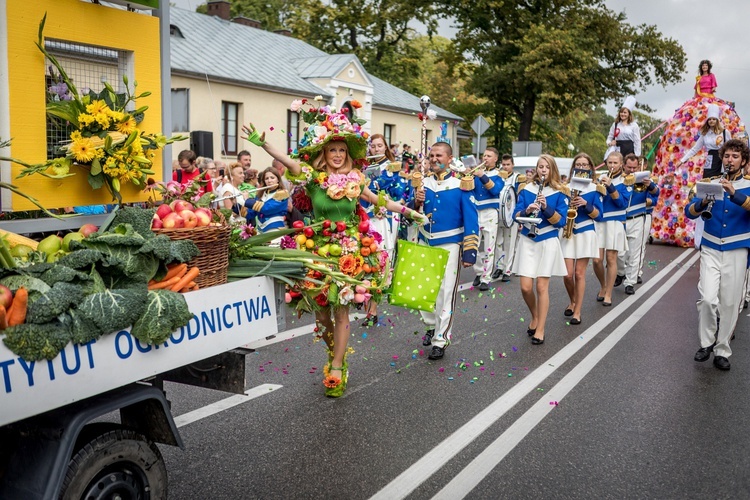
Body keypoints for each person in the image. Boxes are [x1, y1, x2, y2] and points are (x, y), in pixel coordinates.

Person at [242, 102, 425, 397]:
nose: (338, 155)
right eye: (332, 151)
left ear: (347, 155)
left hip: (351, 250)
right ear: (323, 155)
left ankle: (338, 365)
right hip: (317, 249)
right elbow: (289, 163)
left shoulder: (357, 180)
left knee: (341, 311)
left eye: (342, 150)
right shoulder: (314, 180)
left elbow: (379, 201)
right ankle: (334, 352)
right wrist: (264, 144)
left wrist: (408, 211)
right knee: (321, 316)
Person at [685, 139, 750, 371]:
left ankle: (722, 350)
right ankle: (706, 343)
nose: (729, 160)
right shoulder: (709, 182)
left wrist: (735, 195)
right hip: (711, 247)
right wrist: (702, 202)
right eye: (727, 156)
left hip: (737, 248)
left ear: (743, 161)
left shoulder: (748, 185)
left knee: (730, 303)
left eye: (735, 156)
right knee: (707, 298)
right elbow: (689, 212)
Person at [412, 142, 478, 360]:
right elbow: (411, 214)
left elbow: (471, 218)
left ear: (450, 158)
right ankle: (431, 326)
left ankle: (440, 339)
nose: (433, 159)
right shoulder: (423, 183)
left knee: (445, 292)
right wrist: (416, 202)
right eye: (431, 155)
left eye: (438, 155)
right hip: (425, 240)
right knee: (422, 290)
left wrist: (469, 251)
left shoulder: (462, 185)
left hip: (450, 243)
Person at [513, 154, 568, 344]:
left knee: (541, 286)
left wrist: (545, 208)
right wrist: (527, 211)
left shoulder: (560, 192)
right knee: (525, 287)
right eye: (540, 166)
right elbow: (515, 216)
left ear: (552, 169)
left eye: (546, 167)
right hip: (528, 239)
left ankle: (541, 329)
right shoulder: (526, 189)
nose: (542, 170)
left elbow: (561, 221)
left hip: (548, 240)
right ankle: (535, 316)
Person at [360, 133, 412, 326]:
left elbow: (400, 193)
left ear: (386, 147)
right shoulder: (363, 168)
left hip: (384, 218)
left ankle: (373, 310)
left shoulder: (392, 167)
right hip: (366, 217)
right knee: (365, 260)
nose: (376, 149)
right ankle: (366, 302)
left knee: (380, 261)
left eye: (380, 146)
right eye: (373, 146)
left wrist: (383, 204)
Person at [560, 153, 603, 325]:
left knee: (579, 273)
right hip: (568, 231)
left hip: (586, 230)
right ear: (573, 168)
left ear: (591, 168)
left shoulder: (595, 188)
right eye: (578, 164)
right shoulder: (564, 187)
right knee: (567, 275)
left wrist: (585, 204)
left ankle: (577, 312)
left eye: (585, 165)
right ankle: (573, 300)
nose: (581, 167)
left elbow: (599, 215)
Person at [616, 154, 660, 295]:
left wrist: (650, 185)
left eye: (635, 167)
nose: (632, 170)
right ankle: (621, 272)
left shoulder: (643, 179)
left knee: (635, 252)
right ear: (624, 165)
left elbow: (656, 194)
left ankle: (630, 282)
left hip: (638, 218)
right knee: (619, 253)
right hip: (620, 219)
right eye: (629, 167)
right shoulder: (619, 179)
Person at [592, 151, 632, 306]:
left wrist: (610, 186)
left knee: (611, 258)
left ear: (621, 164)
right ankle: (603, 285)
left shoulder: (626, 180)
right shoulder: (599, 178)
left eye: (615, 163)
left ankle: (608, 293)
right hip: (600, 221)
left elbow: (622, 203)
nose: (612, 165)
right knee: (596, 260)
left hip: (615, 222)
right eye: (610, 162)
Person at [471, 147, 504, 291]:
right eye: (484, 155)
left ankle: (486, 278)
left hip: (490, 212)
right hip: (475, 212)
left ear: (495, 159)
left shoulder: (499, 175)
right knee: (473, 245)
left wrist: (482, 176)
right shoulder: (476, 173)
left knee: (489, 246)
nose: (485, 158)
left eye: (489, 156)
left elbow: (495, 190)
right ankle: (479, 271)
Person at [493, 154, 525, 282]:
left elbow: (520, 198)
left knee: (510, 243)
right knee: (498, 242)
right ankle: (499, 267)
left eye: (508, 164)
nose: (505, 167)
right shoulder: (498, 177)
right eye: (504, 164)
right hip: (499, 214)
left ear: (513, 165)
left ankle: (507, 269)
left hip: (512, 214)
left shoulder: (518, 178)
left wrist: (520, 218)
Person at [676, 104, 730, 179]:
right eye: (710, 119)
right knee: (707, 180)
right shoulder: (705, 134)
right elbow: (695, 148)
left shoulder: (724, 132)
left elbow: (730, 148)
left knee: (720, 180)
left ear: (717, 120)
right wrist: (682, 160)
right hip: (710, 159)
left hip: (722, 159)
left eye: (714, 119)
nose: (711, 121)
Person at [243, 167, 289, 232]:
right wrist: (235, 203)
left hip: (275, 230)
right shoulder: (261, 195)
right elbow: (250, 214)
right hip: (260, 231)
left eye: (272, 178)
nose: (269, 181)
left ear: (278, 179)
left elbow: (267, 208)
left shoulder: (282, 193)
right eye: (266, 178)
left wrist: (247, 200)